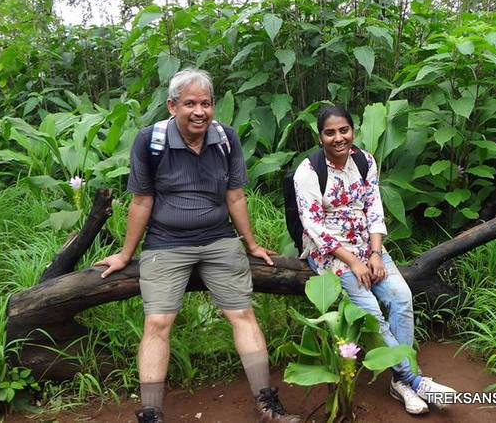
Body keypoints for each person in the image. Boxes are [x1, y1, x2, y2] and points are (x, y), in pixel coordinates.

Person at [94, 68, 300, 423]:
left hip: (218, 240)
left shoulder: (225, 138)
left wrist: (250, 244)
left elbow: (235, 196)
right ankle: (150, 413)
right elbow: (141, 202)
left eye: (205, 103)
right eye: (190, 103)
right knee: (157, 322)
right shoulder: (150, 140)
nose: (199, 111)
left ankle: (267, 402)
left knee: (242, 314)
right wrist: (127, 255)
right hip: (166, 243)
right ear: (173, 106)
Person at [292, 105, 457, 415]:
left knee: (401, 297)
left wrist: (375, 253)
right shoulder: (309, 171)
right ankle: (414, 380)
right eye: (330, 132)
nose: (338, 138)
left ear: (353, 131)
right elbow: (313, 227)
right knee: (371, 313)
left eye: (344, 130)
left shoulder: (365, 161)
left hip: (367, 245)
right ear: (320, 136)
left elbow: (374, 210)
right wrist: (353, 262)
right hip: (331, 253)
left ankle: (400, 382)